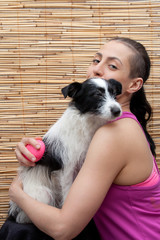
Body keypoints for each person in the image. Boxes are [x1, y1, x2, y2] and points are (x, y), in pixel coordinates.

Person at [8, 37, 160, 239]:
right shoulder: (104, 125)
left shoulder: (115, 133)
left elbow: (63, 229)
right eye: (96, 60)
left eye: (112, 65)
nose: (97, 69)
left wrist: (16, 194)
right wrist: (35, 155)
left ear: (134, 85)